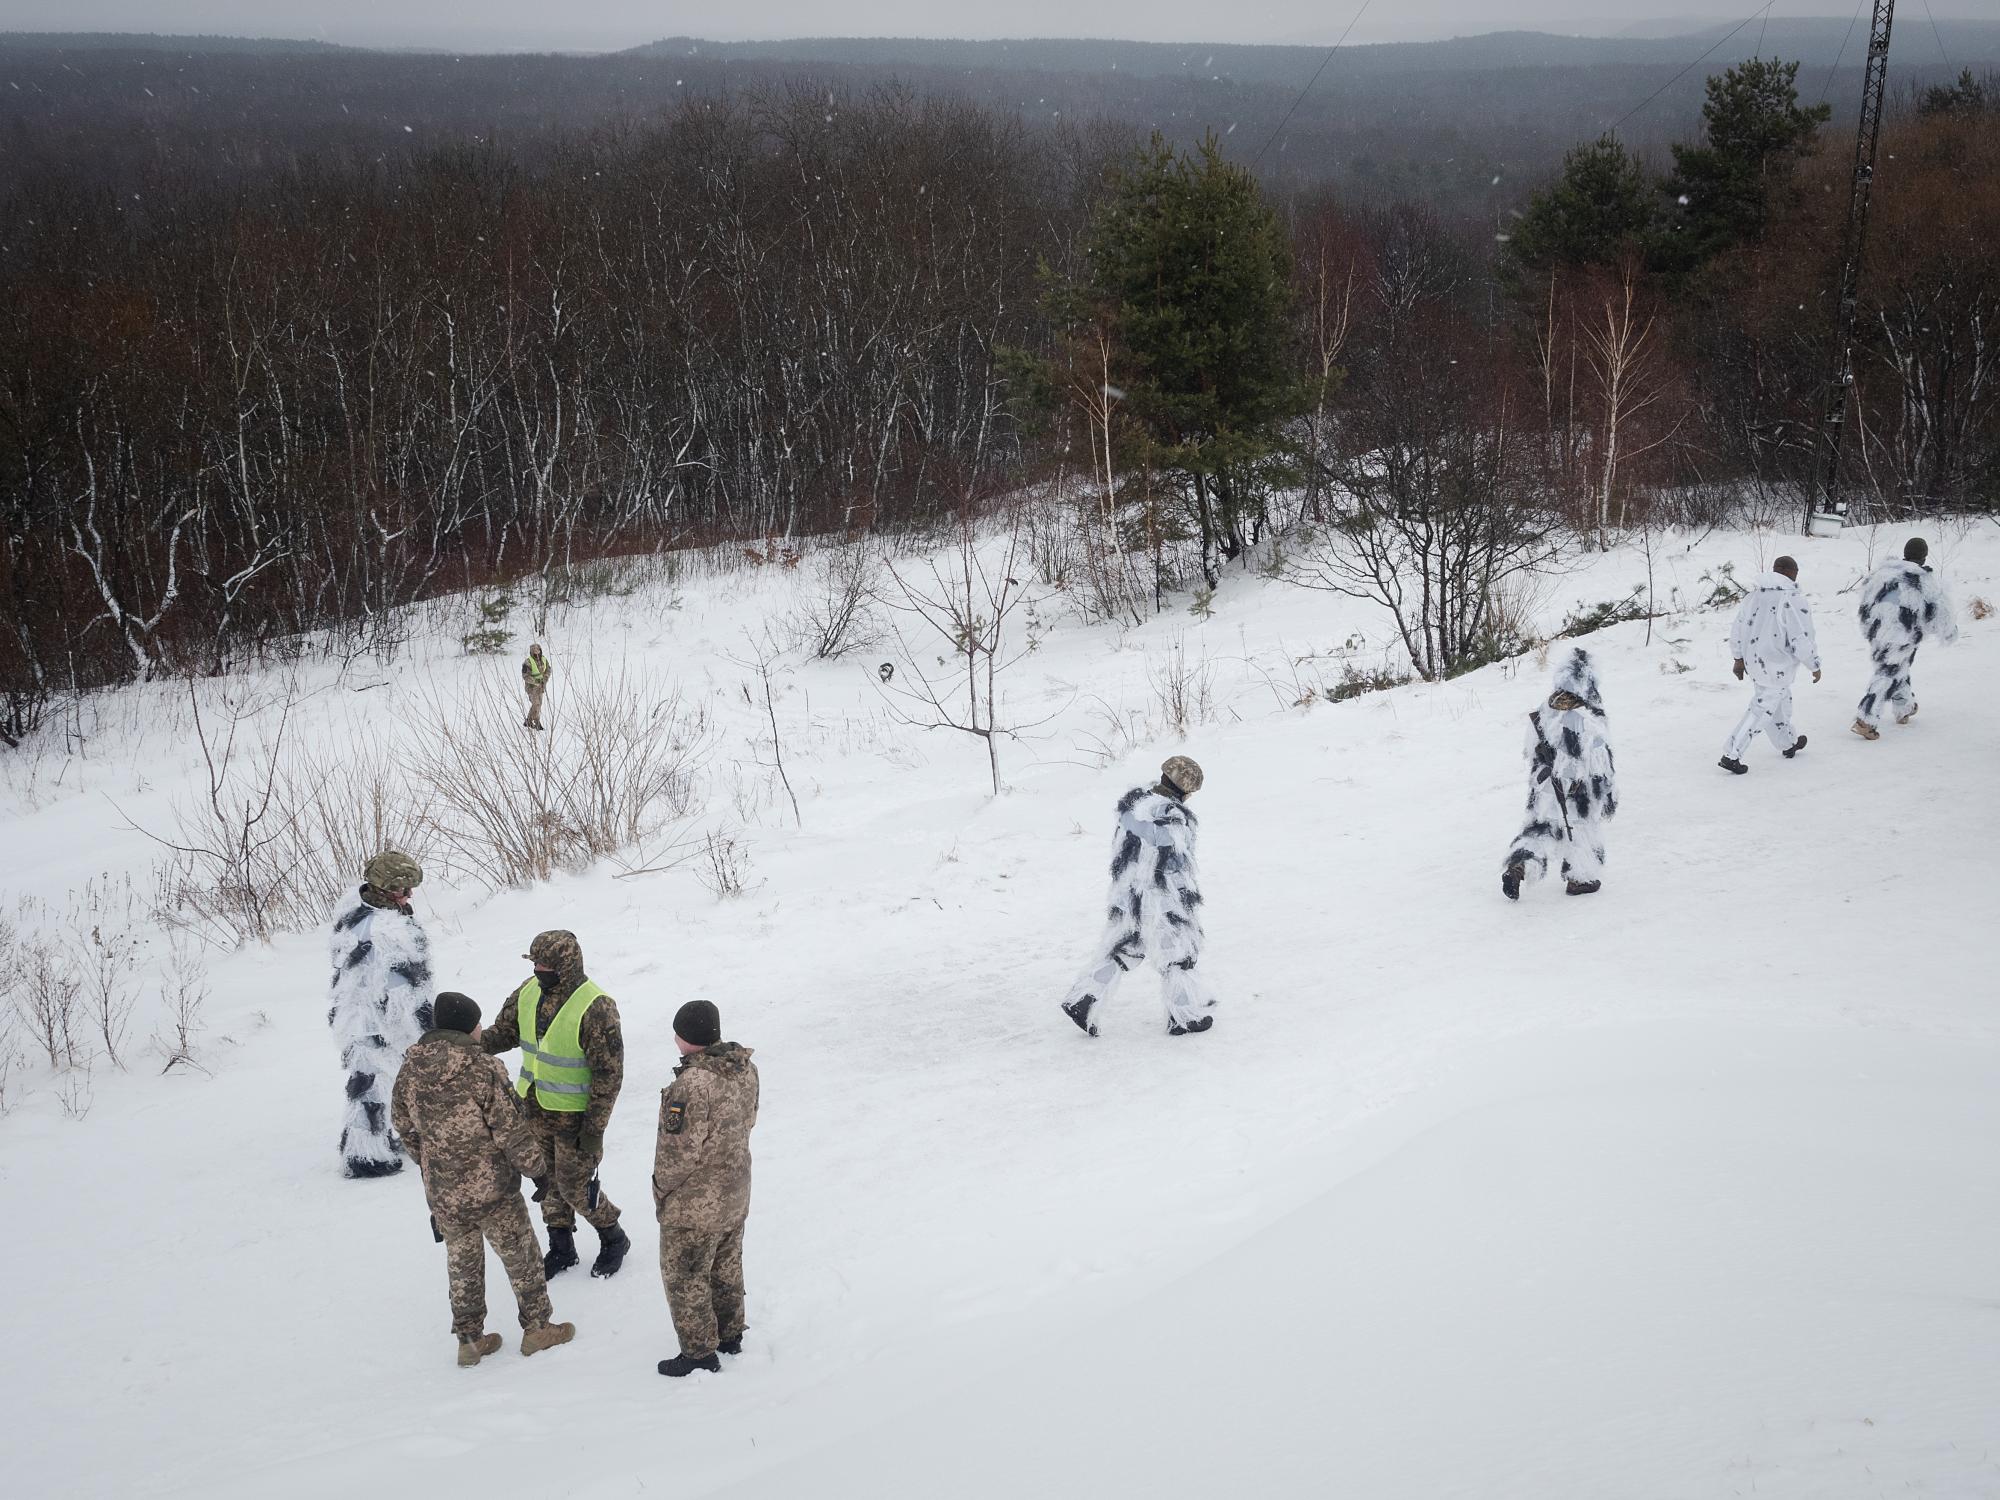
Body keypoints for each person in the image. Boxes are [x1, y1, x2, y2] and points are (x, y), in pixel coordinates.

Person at [390, 992, 576, 1365]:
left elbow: (403, 1126)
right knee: (522, 1257)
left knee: (462, 1264)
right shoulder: (483, 1069)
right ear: (466, 1027)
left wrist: (430, 1163)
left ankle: (470, 1341)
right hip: (494, 1190)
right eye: (477, 1023)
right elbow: (511, 1131)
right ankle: (538, 1328)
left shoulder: (410, 1069)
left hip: (444, 1194)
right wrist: (537, 1171)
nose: (480, 1030)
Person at [482, 930, 632, 1279]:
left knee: (575, 1187)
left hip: (575, 1119)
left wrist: (594, 1131)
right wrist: (468, 1043)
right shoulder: (528, 991)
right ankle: (561, 1246)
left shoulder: (596, 1006)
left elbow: (608, 1076)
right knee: (545, 1181)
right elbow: (504, 1033)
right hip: (532, 1108)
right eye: (534, 962)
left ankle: (613, 1236)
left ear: (565, 965)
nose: (538, 969)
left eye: (545, 964)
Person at [1059, 755, 1217, 1039]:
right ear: (1186, 789)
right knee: (1178, 955)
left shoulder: (1134, 806)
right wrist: (1184, 898)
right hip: (1160, 900)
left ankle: (1084, 1000)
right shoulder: (1174, 817)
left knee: (1125, 948)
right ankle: (1183, 1016)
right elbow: (1172, 860)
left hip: (1128, 894)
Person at [653, 1000, 760, 1378]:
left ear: (685, 1038)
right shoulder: (744, 1069)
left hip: (694, 1204)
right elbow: (750, 1120)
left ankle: (699, 1353)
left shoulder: (691, 1086)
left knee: (686, 1275)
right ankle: (730, 1335)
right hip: (735, 1190)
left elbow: (677, 1154)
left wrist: (661, 1190)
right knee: (726, 1266)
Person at [326, 850, 435, 1178]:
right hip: (377, 1021)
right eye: (403, 890)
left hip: (355, 1014)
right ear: (386, 889)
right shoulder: (390, 932)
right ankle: (365, 1157)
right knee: (372, 1085)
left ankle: (383, 1137)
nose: (409, 895)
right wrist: (426, 1028)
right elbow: (404, 990)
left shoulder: (355, 912)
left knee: (384, 1081)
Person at [1502, 648, 1618, 900]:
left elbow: (1531, 749)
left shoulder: (1545, 708)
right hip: (1577, 791)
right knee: (1581, 831)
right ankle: (1580, 878)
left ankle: (1520, 865)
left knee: (1540, 830)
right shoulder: (1588, 719)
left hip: (1543, 786)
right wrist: (1606, 797)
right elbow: (1600, 764)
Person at [1719, 555, 1820, 774]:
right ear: (1791, 573)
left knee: (1780, 703)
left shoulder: (1753, 597)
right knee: (1761, 710)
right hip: (1777, 667)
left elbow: (1737, 628)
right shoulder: (1793, 600)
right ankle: (1731, 753)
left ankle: (1788, 743)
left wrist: (1738, 658)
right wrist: (1814, 664)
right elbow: (1801, 639)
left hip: (1755, 664)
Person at [1851, 537, 1960, 741]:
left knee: (1898, 666)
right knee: (1888, 671)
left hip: (1876, 629)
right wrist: (1949, 632)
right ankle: (1866, 717)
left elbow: (1865, 598)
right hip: (1901, 633)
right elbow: (1940, 611)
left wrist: (1869, 625)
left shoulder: (1883, 573)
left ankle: (1904, 707)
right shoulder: (1922, 579)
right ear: (1924, 556)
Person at [522, 644, 551, 731]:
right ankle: (536, 722)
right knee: (536, 704)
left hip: (541, 686)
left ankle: (528, 721)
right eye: (534, 650)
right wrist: (535, 682)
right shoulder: (528, 662)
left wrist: (545, 678)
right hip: (531, 687)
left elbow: (548, 670)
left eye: (538, 650)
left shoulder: (544, 659)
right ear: (531, 651)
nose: (536, 651)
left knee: (538, 704)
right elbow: (525, 676)